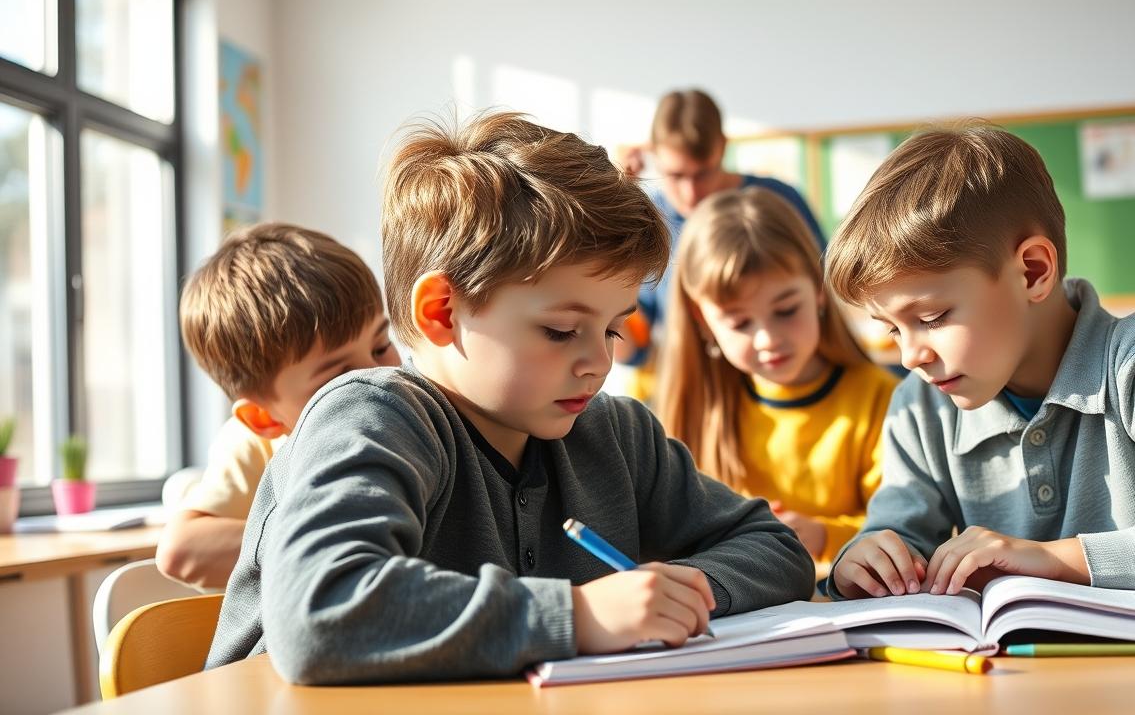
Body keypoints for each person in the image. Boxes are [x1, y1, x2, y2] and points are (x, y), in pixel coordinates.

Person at [203, 112, 816, 684]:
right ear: (443, 312)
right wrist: (578, 616)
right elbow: (321, 612)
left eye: (611, 328)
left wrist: (682, 590)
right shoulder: (370, 414)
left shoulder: (616, 434)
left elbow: (776, 549)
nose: (599, 361)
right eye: (560, 331)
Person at [822, 121, 1135, 604]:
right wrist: (860, 564)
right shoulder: (920, 405)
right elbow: (895, 537)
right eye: (892, 329)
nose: (911, 355)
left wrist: (1054, 560)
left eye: (932, 317)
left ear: (1032, 272)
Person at [658, 187, 896, 564]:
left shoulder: (882, 399)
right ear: (704, 322)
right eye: (739, 323)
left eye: (786, 310)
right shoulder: (691, 409)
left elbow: (904, 530)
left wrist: (820, 535)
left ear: (819, 289)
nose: (768, 339)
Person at [156, 223, 400, 590]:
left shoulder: (414, 416)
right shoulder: (256, 446)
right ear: (265, 416)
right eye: (340, 375)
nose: (378, 377)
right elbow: (181, 550)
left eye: (381, 346)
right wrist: (332, 541)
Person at [615, 89, 825, 382]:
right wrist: (615, 204)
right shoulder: (647, 219)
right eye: (675, 176)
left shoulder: (776, 200)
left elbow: (829, 285)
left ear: (723, 148)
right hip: (699, 387)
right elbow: (636, 345)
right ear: (654, 155)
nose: (691, 195)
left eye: (703, 174)